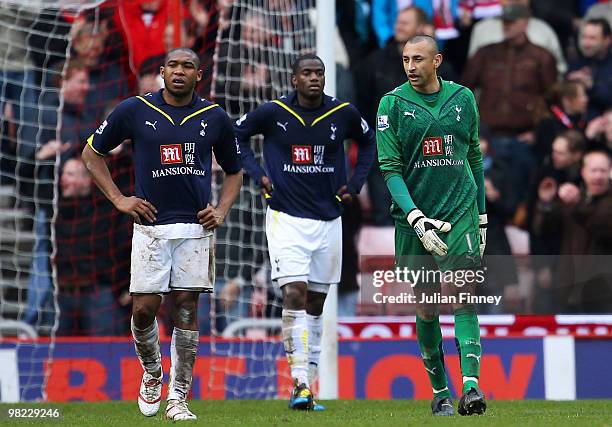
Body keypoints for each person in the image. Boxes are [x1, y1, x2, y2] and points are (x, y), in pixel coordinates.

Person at [81, 48, 243, 420]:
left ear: (198, 75)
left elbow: (235, 170)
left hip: (195, 227)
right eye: (173, 65)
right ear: (162, 72)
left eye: (188, 66)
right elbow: (92, 154)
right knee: (144, 310)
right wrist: (120, 199)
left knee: (186, 309)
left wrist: (221, 210)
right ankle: (153, 374)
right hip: (151, 228)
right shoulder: (134, 110)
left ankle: (179, 397)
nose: (180, 71)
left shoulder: (214, 117)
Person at [235, 53, 375, 410]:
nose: (315, 78)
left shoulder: (342, 113)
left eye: (320, 73)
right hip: (286, 218)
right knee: (293, 293)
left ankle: (306, 385)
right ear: (294, 79)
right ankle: (298, 381)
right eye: (307, 73)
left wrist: (356, 183)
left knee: (316, 302)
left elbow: (370, 142)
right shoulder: (273, 113)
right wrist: (258, 174)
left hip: (329, 219)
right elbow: (236, 135)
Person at [376, 35, 487, 416]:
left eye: (418, 59)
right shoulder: (391, 104)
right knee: (426, 308)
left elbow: (473, 153)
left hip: (459, 211)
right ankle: (440, 390)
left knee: (463, 294)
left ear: (437, 60)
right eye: (405, 59)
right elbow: (390, 170)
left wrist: (483, 214)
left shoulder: (463, 99)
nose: (410, 66)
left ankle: (471, 388)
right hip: (414, 220)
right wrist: (415, 216)